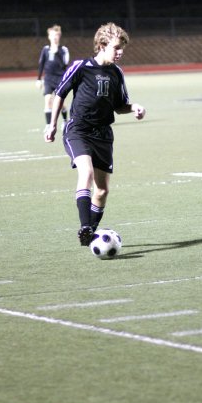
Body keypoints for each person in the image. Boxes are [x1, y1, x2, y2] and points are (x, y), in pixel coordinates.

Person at [45, 22, 146, 246]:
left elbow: (120, 106)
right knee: (86, 173)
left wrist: (134, 107)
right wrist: (52, 124)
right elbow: (60, 93)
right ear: (101, 45)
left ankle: (89, 234)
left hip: (103, 135)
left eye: (122, 49)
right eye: (116, 48)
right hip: (78, 130)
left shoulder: (116, 73)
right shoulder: (81, 67)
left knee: (102, 191)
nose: (120, 53)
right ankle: (85, 227)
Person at [36, 25, 69, 132]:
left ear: (59, 36)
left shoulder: (63, 50)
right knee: (48, 100)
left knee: (60, 102)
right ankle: (49, 125)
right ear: (49, 37)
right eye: (52, 35)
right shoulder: (45, 49)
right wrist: (38, 79)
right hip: (48, 78)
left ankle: (65, 121)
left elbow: (64, 65)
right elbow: (41, 64)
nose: (54, 37)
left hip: (60, 78)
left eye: (57, 35)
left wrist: (56, 53)